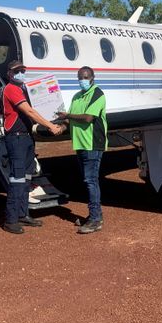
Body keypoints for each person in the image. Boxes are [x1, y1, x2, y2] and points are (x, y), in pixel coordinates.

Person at [1, 60, 64, 234]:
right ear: (10, 74)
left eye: (23, 70)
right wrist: (51, 126)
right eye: (17, 71)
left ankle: (23, 214)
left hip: (27, 138)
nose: (21, 73)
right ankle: (11, 219)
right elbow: (30, 111)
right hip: (17, 139)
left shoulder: (22, 89)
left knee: (27, 178)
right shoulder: (11, 89)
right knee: (18, 178)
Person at [56, 66, 107, 234]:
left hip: (92, 144)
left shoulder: (97, 94)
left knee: (91, 181)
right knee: (88, 180)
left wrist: (67, 116)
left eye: (85, 77)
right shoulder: (76, 97)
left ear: (92, 77)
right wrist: (60, 127)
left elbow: (87, 118)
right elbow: (69, 119)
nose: (82, 80)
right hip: (80, 144)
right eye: (79, 77)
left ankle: (95, 219)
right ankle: (94, 215)